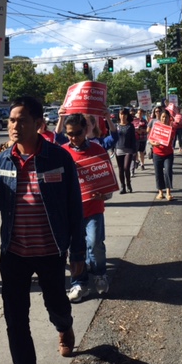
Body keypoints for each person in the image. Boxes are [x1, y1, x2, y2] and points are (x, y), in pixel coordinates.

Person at [0, 96, 85, 364]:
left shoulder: (59, 158)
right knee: (16, 320)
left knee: (56, 303)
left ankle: (64, 326)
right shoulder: (3, 160)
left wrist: (78, 253)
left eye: (21, 120)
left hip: (50, 252)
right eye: (10, 121)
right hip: (14, 254)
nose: (14, 126)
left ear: (38, 124)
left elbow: (74, 207)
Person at [61, 113, 111, 302]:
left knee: (95, 243)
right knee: (76, 247)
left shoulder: (98, 150)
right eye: (69, 134)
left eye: (78, 133)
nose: (73, 137)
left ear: (86, 130)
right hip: (71, 211)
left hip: (94, 208)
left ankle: (99, 275)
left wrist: (105, 193)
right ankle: (79, 283)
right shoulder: (62, 152)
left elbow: (107, 180)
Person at [149, 110, 176, 201]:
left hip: (168, 154)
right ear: (160, 118)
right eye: (163, 117)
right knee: (158, 173)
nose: (164, 119)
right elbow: (150, 140)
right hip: (157, 154)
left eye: (166, 117)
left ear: (169, 118)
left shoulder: (171, 129)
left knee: (168, 171)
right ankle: (160, 192)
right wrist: (154, 144)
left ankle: (168, 192)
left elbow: (169, 140)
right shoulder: (155, 127)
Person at [114, 108, 136, 194]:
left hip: (128, 149)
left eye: (124, 114)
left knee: (126, 168)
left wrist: (134, 150)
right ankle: (122, 187)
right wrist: (112, 149)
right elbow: (113, 138)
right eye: (121, 114)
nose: (123, 116)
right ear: (119, 115)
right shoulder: (116, 126)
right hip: (118, 148)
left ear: (127, 115)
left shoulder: (130, 126)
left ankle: (128, 184)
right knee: (120, 169)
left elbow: (133, 139)